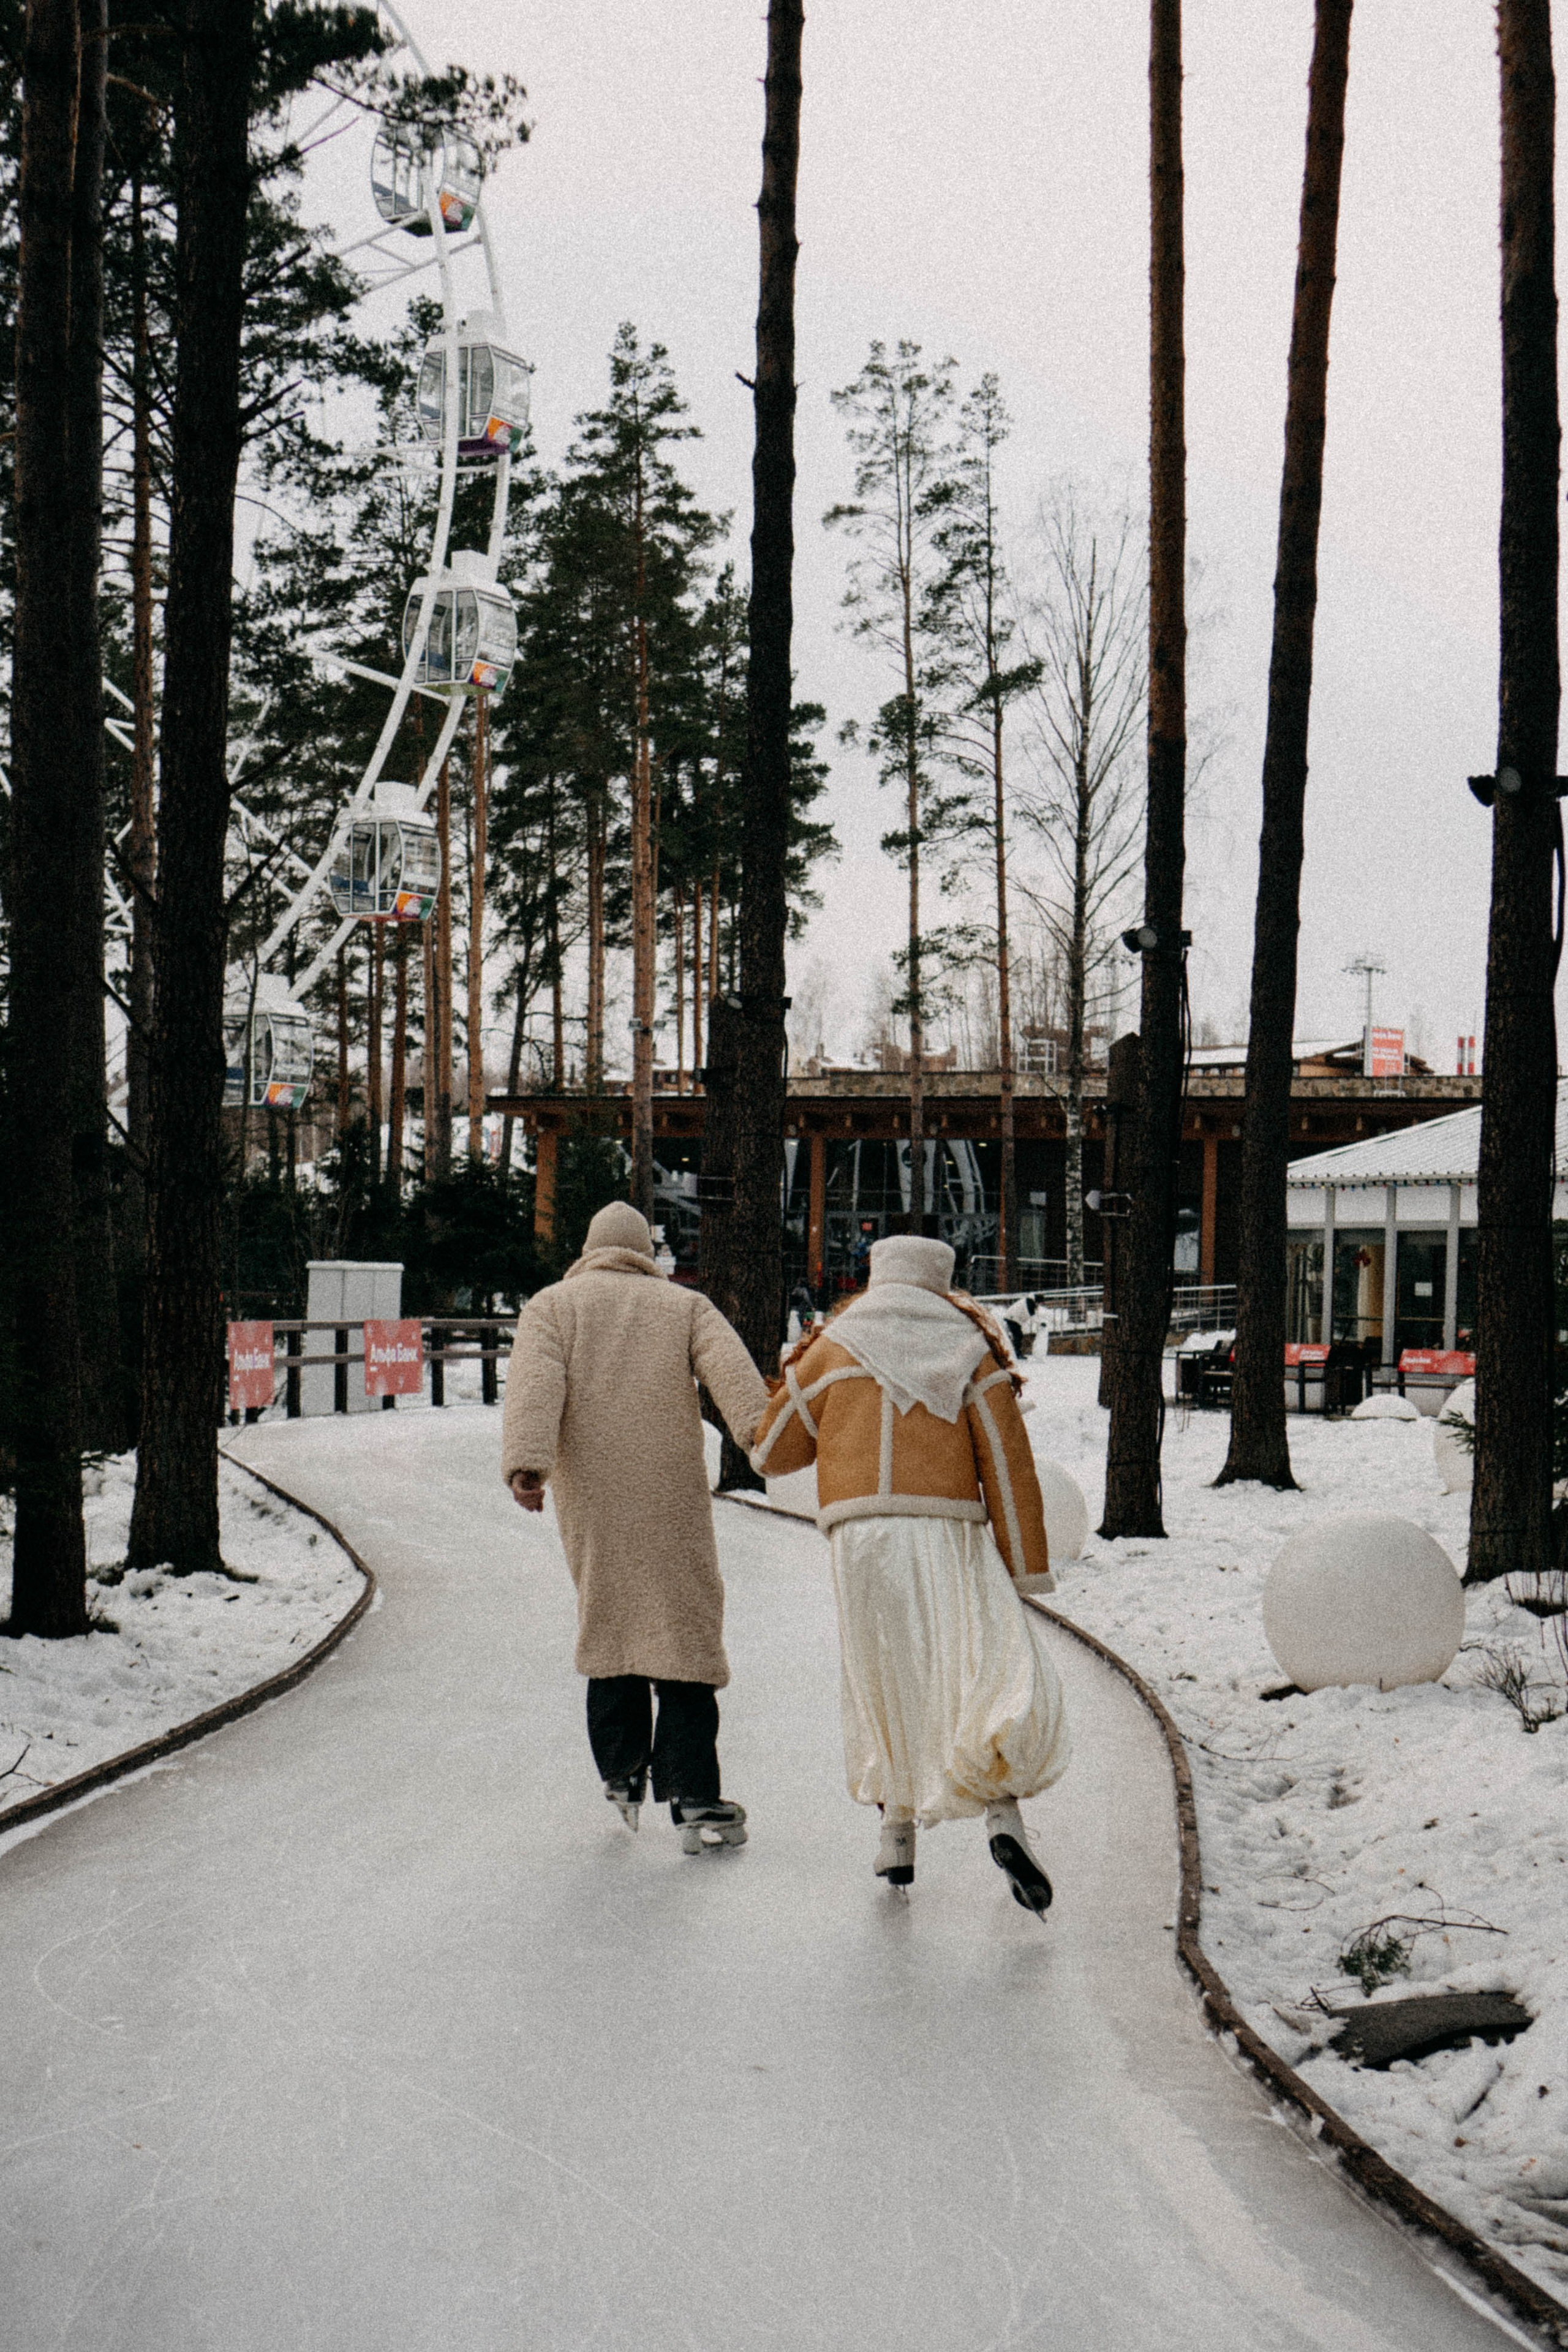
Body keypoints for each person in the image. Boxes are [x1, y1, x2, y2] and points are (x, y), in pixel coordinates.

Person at [749, 1232, 1069, 1912]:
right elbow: (1008, 1464)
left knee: (882, 1676)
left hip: (859, 1534)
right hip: (948, 1527)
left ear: (876, 1273)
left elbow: (773, 1453)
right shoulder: (970, 1347)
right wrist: (1023, 1567)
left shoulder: (834, 1344)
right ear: (942, 1279)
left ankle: (896, 1836)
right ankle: (1003, 1820)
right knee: (971, 1670)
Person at [502, 1200, 769, 1852]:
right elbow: (735, 1379)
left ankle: (621, 1773)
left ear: (589, 1248)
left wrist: (527, 1468)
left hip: (590, 1489)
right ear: (645, 1253)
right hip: (668, 1486)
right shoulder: (685, 1307)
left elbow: (534, 1387)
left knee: (611, 1616)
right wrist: (764, 1438)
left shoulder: (552, 1306)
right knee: (683, 1626)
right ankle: (693, 1794)